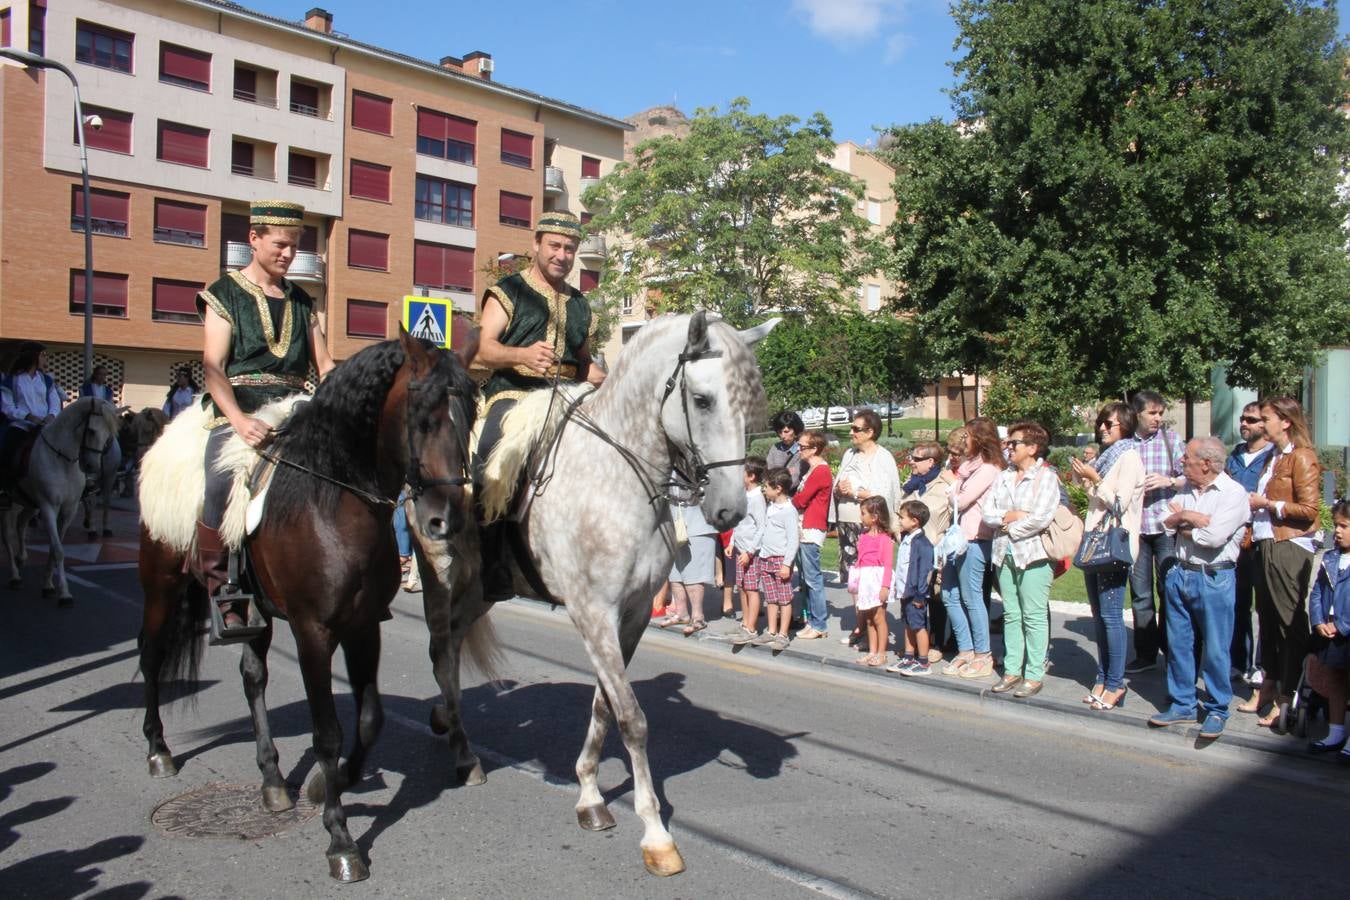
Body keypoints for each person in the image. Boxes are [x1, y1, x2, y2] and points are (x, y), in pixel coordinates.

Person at [196, 200, 336, 639]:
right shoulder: (224, 293)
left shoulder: (302, 300)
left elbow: (325, 365)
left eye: (294, 247)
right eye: (280, 245)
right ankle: (223, 588)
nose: (289, 254)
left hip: (296, 406)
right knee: (219, 478)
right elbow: (214, 366)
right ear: (254, 239)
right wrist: (237, 421)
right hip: (239, 406)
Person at [471, 211, 606, 603]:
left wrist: (598, 374)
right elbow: (483, 348)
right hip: (514, 395)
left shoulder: (581, 304)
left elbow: (584, 360)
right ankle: (490, 560)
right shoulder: (508, 290)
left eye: (569, 248)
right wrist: (521, 355)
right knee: (491, 460)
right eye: (555, 246)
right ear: (536, 245)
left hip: (568, 395)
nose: (562, 255)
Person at [1148, 438, 1251, 740]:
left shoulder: (1233, 493)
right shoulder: (1186, 490)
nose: (1181, 461)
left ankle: (1218, 708)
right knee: (1178, 644)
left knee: (1216, 648)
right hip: (1180, 573)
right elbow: (1163, 524)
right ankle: (1183, 704)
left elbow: (1214, 537)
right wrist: (1187, 517)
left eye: (1188, 457)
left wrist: (1181, 522)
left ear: (1206, 463)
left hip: (1214, 578)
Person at [1243, 396, 1322, 730]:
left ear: (1285, 422)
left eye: (1267, 419)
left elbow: (1310, 510)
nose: (1261, 425)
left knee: (1289, 622)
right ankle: (1270, 685)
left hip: (1288, 544)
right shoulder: (1272, 457)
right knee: (1269, 620)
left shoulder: (1300, 458)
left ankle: (1290, 694)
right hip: (1264, 542)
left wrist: (1269, 504)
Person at [1070, 402, 1145, 711]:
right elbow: (1097, 500)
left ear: (1125, 426)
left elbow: (1118, 503)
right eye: (1101, 423)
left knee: (1112, 616)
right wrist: (1085, 479)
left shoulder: (1129, 457)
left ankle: (1115, 684)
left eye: (1109, 424)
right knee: (1099, 616)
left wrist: (1095, 479)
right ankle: (1102, 678)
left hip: (1115, 544)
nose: (1102, 428)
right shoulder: (1107, 457)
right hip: (1095, 542)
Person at [984, 421, 1061, 699]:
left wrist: (1011, 523)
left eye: (1014, 443)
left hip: (1034, 554)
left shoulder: (1047, 477)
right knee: (1012, 614)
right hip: (1003, 551)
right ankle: (1012, 669)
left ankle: (1034, 673)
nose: (1008, 447)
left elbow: (1041, 517)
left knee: (1034, 615)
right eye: (1008, 443)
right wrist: (1010, 518)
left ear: (1032, 447)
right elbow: (988, 512)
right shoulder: (1004, 476)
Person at [1126, 390, 1186, 673]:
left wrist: (1169, 481)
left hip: (1165, 528)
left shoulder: (1171, 441)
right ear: (1137, 414)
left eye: (1161, 413)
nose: (1158, 418)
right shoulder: (1126, 445)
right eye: (1152, 413)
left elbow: (1193, 477)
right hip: (1136, 529)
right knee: (1140, 594)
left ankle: (1173, 651)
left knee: (1170, 590)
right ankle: (1146, 654)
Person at [939, 417, 1003, 679]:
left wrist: (953, 492)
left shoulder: (988, 469)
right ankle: (965, 650)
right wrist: (954, 490)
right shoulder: (968, 468)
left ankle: (983, 654)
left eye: (968, 435)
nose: (964, 440)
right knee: (949, 594)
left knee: (971, 597)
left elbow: (961, 499)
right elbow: (956, 493)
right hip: (958, 538)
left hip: (976, 539)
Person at [832, 409, 901, 645]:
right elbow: (838, 483)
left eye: (856, 429)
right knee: (854, 577)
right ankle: (860, 625)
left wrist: (858, 492)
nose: (851, 432)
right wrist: (840, 489)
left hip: (869, 527)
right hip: (847, 521)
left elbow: (886, 495)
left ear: (870, 432)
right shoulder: (850, 455)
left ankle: (871, 626)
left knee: (869, 577)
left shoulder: (883, 458)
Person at [1225, 401, 1274, 684]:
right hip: (1235, 539)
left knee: (1264, 606)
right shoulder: (1235, 456)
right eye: (1243, 418)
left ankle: (1262, 666)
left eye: (1252, 419)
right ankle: (1238, 661)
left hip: (1261, 537)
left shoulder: (1272, 458)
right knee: (1238, 602)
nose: (1245, 423)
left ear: (1264, 425)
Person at [902, 441, 955, 659]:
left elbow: (954, 517)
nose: (911, 461)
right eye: (911, 456)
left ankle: (936, 641)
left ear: (931, 462)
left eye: (916, 458)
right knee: (913, 594)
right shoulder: (912, 484)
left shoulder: (945, 484)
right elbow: (901, 510)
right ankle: (914, 642)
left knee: (935, 595)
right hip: (911, 548)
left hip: (935, 549)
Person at [1307, 500, 1350, 757]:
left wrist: (1342, 625)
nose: (1338, 531)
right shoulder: (1331, 558)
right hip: (1329, 629)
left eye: (1344, 526)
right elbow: (1316, 593)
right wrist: (1318, 620)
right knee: (1335, 680)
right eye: (1336, 525)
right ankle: (1335, 731)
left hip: (1345, 630)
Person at [0, 341, 65, 488]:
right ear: (33, 356)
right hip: (21, 426)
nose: (45, 359)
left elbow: (54, 402)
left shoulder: (46, 380)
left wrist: (52, 415)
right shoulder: (12, 380)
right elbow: (7, 407)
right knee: (7, 452)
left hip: (46, 427)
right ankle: (6, 489)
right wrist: (27, 416)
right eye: (43, 355)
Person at [751, 468, 800, 650]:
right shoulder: (771, 507)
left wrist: (787, 564)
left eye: (767, 487)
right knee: (771, 598)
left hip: (780, 560)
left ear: (778, 488)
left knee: (784, 599)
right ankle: (771, 631)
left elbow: (793, 540)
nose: (764, 490)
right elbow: (763, 530)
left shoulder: (788, 511)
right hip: (766, 557)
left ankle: (783, 634)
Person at [663, 478, 719, 636]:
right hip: (675, 518)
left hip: (698, 522)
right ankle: (681, 613)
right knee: (675, 572)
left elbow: (691, 492)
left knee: (694, 573)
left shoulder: (700, 464)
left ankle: (698, 617)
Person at [886, 500, 935, 676]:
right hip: (905, 592)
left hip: (916, 594)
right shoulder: (907, 539)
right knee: (907, 624)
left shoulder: (923, 544)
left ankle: (923, 661)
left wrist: (920, 595)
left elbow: (926, 572)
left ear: (914, 521)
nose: (899, 520)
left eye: (902, 517)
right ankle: (908, 657)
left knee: (918, 625)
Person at [792, 431, 833, 639]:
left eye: (802, 447)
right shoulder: (812, 470)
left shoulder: (821, 471)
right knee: (806, 579)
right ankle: (812, 621)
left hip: (811, 528)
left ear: (814, 448)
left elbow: (802, 500)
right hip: (804, 527)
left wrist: (787, 501)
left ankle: (820, 625)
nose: (799, 450)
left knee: (813, 579)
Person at [848, 495, 893, 667]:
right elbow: (861, 558)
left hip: (877, 580)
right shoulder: (864, 536)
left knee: (879, 618)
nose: (861, 517)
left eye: (863, 513)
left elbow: (888, 565)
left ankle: (881, 653)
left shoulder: (884, 539)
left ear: (874, 517)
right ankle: (872, 651)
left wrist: (885, 586)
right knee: (868, 618)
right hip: (866, 580)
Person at [727, 458, 768, 644]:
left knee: (752, 590)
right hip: (739, 549)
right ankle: (745, 623)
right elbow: (738, 523)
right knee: (742, 588)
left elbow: (761, 527)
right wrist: (731, 542)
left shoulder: (757, 498)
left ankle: (751, 628)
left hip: (750, 553)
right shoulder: (744, 495)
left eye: (742, 472)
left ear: (751, 476)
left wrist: (750, 551)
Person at [765, 411, 806, 493]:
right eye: (780, 432)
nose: (782, 436)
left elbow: (796, 477)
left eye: (786, 431)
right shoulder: (775, 448)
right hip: (775, 493)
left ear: (796, 431)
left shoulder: (802, 449)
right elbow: (767, 472)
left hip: (793, 495)